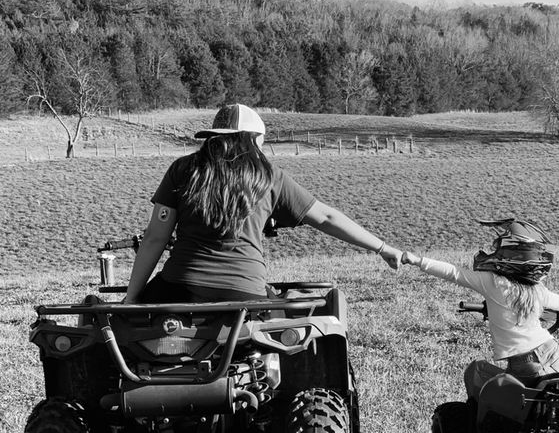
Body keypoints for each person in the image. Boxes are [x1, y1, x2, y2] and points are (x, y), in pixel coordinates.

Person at [124, 103, 403, 303]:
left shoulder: (183, 169)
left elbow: (154, 239)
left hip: (179, 287)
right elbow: (326, 218)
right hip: (245, 292)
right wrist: (382, 247)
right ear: (255, 140)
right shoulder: (270, 177)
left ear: (214, 135)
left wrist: (132, 299)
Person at [400, 218, 559, 390]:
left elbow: (453, 273)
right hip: (549, 351)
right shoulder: (537, 289)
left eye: (497, 247)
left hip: (520, 364)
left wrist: (417, 260)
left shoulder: (494, 283)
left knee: (520, 405)